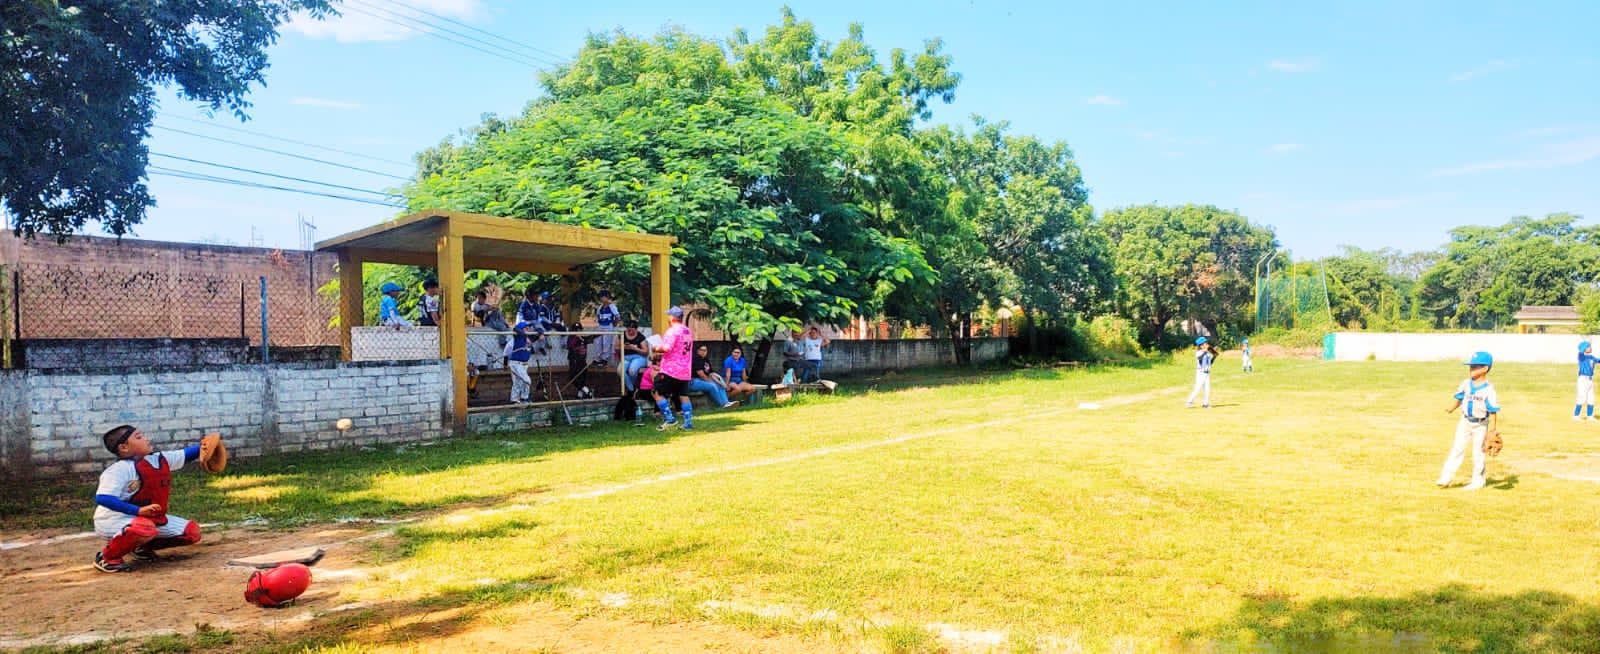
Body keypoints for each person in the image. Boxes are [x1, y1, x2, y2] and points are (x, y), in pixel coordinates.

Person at [92, 425, 205, 572]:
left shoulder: (158, 459)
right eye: (139, 437)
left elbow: (187, 454)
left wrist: (207, 445)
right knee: (144, 528)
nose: (146, 439)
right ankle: (107, 558)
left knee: (191, 532)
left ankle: (139, 547)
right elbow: (103, 498)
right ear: (124, 448)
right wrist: (137, 510)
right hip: (113, 519)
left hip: (146, 518)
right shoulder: (118, 470)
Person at [1438, 351, 1500, 491]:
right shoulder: (1466, 384)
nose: (1471, 369)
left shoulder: (1489, 390)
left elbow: (1493, 410)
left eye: (1475, 366)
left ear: (1485, 368)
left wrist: (1493, 430)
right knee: (1457, 448)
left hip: (1481, 424)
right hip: (1465, 422)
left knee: (1478, 452)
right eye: (1471, 366)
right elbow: (1459, 398)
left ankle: (1478, 481)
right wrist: (1451, 409)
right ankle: (1445, 477)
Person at [651, 306, 695, 431]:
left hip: (671, 369)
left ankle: (670, 419)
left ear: (672, 317)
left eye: (669, 316)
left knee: (656, 391)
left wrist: (655, 348)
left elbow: (666, 348)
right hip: (685, 370)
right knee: (683, 395)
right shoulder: (688, 331)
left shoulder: (672, 331)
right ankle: (688, 423)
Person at [688, 344, 738, 408]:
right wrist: (710, 381)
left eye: (705, 350)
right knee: (712, 385)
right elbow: (701, 374)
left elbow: (711, 373)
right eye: (702, 350)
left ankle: (726, 403)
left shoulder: (706, 360)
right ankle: (722, 404)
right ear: (698, 351)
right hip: (694, 381)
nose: (704, 352)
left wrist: (719, 380)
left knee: (719, 384)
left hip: (704, 380)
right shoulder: (696, 359)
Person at [506, 320, 537, 404]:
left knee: (518, 382)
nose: (529, 329)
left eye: (528, 327)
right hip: (516, 364)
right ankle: (524, 397)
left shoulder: (529, 337)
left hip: (524, 364)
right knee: (527, 380)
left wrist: (540, 334)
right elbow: (515, 329)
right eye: (526, 328)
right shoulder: (518, 337)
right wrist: (524, 335)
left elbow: (540, 331)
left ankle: (517, 400)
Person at [593, 290, 621, 367]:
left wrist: (613, 325)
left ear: (607, 297)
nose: (602, 298)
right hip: (601, 325)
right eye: (601, 297)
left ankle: (604, 359)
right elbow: (598, 316)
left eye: (603, 297)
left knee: (606, 342)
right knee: (598, 341)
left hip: (608, 326)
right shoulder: (600, 307)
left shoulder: (612, 306)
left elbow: (617, 317)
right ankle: (597, 358)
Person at [1185, 336, 1215, 409]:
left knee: (1207, 389)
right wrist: (1205, 351)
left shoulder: (1208, 352)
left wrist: (1214, 356)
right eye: (1205, 343)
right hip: (1201, 373)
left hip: (1207, 372)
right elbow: (1199, 358)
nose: (1207, 344)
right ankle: (1189, 402)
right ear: (1201, 345)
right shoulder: (1199, 352)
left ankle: (1205, 404)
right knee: (1198, 388)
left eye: (1206, 343)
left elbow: (1210, 363)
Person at [621, 320, 650, 392]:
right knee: (620, 371)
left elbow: (646, 352)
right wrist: (624, 347)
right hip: (626, 357)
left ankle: (632, 390)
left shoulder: (640, 337)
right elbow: (616, 347)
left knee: (632, 370)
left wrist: (635, 348)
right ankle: (632, 388)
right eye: (628, 329)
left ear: (636, 329)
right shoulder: (622, 335)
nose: (629, 331)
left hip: (639, 357)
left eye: (631, 330)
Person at [1576, 341, 1597, 421]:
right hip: (1582, 379)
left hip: (1590, 380)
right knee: (1582, 397)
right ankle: (1576, 416)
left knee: (1591, 398)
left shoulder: (1592, 357)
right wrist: (1585, 344)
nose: (1590, 348)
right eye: (1588, 347)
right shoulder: (1581, 356)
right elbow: (1580, 351)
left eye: (1590, 346)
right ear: (1584, 348)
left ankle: (1590, 416)